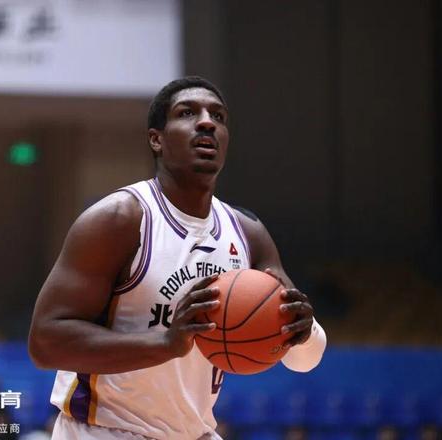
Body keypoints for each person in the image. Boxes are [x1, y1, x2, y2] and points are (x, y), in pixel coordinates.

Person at [28, 76, 327, 440]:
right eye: (187, 113)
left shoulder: (249, 233)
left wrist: (303, 332)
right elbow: (46, 343)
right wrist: (164, 343)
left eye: (218, 116)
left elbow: (303, 361)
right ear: (156, 139)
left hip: (195, 433)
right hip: (103, 431)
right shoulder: (120, 219)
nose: (207, 122)